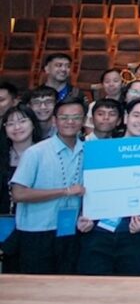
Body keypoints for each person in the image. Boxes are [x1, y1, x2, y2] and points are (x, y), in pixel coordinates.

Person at [78, 98, 140, 276]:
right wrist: (82, 215)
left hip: (135, 232)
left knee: (132, 288)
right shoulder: (102, 149)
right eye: (136, 115)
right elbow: (85, 185)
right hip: (96, 231)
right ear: (126, 118)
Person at [9, 95, 86, 274]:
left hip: (71, 230)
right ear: (54, 121)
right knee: (36, 285)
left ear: (83, 121)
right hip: (36, 231)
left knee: (67, 284)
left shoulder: (88, 151)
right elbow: (18, 194)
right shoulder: (35, 152)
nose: (70, 122)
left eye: (76, 117)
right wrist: (64, 191)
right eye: (64, 118)